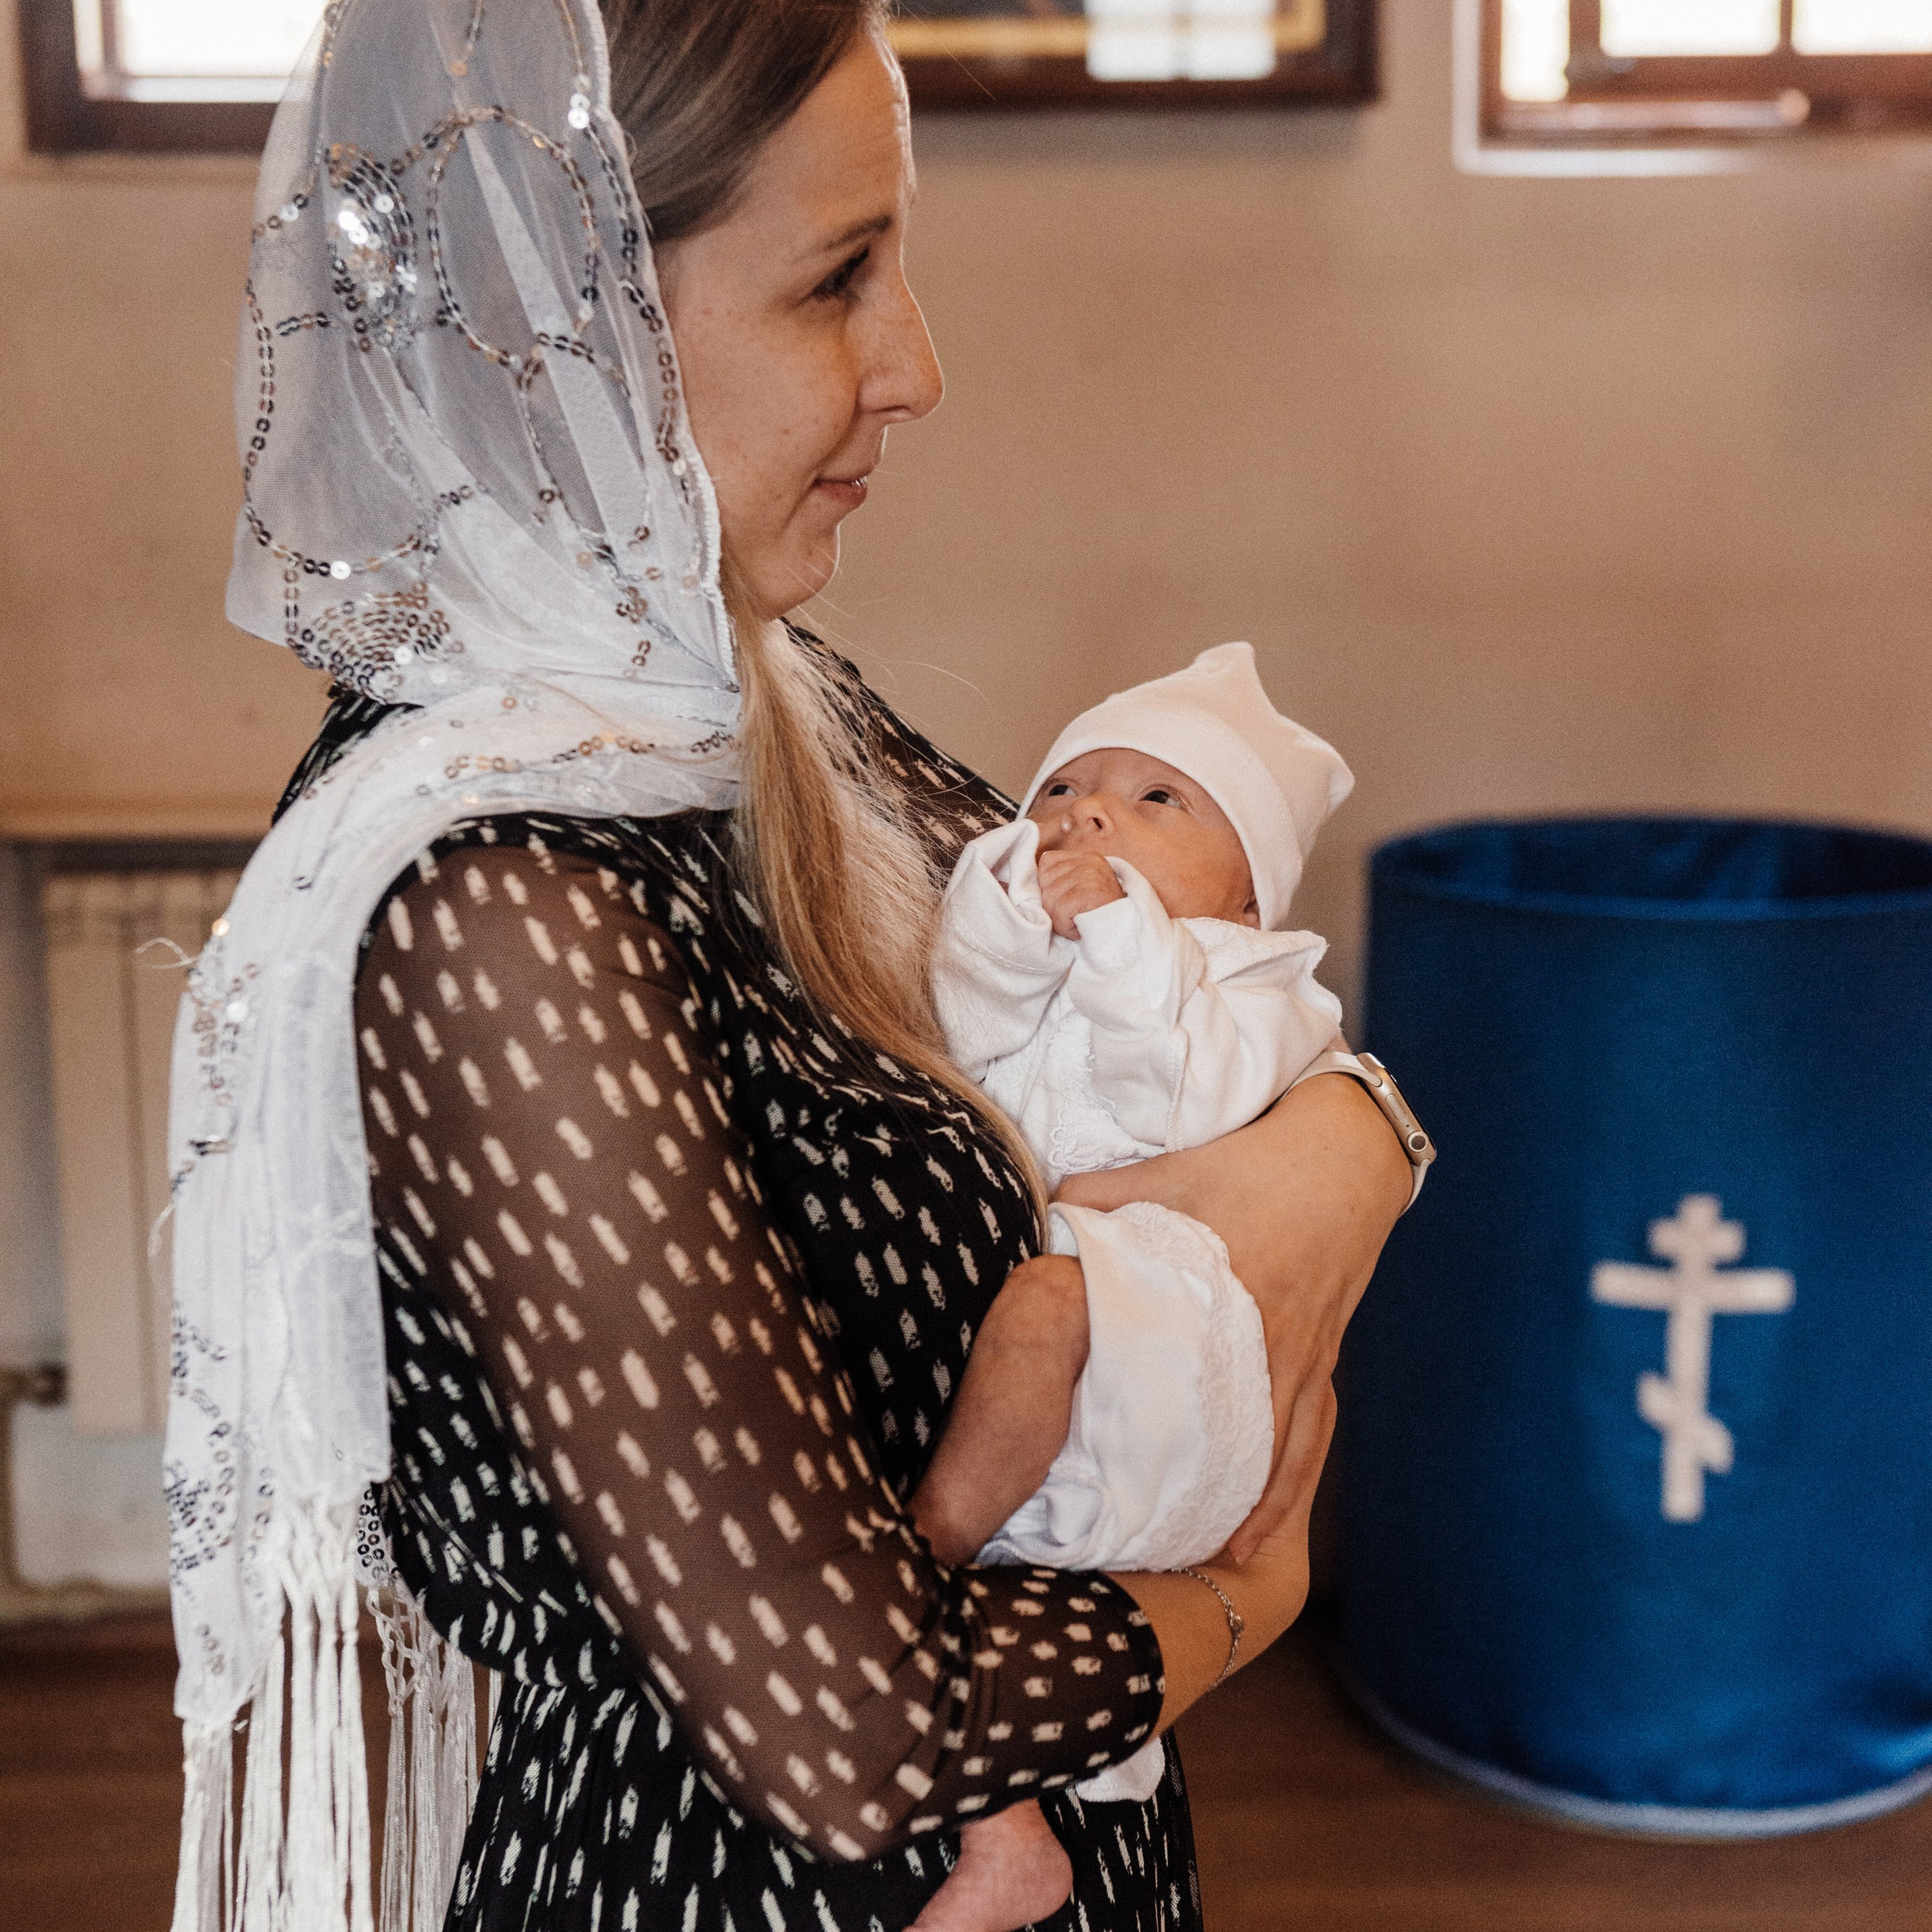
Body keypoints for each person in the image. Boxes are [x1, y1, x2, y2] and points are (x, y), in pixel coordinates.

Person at [162, 2, 1413, 1928]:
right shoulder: (498, 907)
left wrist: (1351, 1146)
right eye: (837, 279)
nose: (917, 366)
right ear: (560, 317)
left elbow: (1178, 969)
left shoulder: (740, 706)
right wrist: (1250, 1591)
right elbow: (856, 1732)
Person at [905, 644, 1361, 1928]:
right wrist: (1018, 919)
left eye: (1159, 798)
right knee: (1010, 1612)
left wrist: (1118, 931)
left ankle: (911, 1566)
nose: (1090, 813)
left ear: (1249, 891)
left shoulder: (1263, 986)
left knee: (1043, 1315)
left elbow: (1177, 1099)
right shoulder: (1058, 961)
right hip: (1053, 1358)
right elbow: (961, 1027)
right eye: (1063, 788)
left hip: (1162, 1334)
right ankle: (1005, 1833)